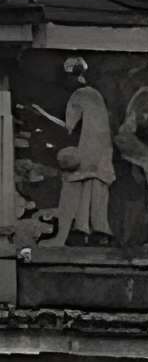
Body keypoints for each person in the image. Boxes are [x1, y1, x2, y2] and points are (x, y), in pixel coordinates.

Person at [19, 57, 115, 247]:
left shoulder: (79, 96)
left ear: (70, 77)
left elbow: (69, 129)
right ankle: (90, 234)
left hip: (84, 157)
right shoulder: (95, 95)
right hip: (99, 159)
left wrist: (41, 116)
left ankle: (64, 237)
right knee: (93, 202)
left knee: (71, 193)